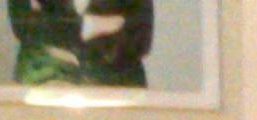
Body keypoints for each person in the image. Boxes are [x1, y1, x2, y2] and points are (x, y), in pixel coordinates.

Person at [8, 0, 153, 88]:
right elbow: (25, 26)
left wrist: (61, 32)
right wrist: (87, 27)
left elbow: (140, 38)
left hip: (115, 86)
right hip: (46, 82)